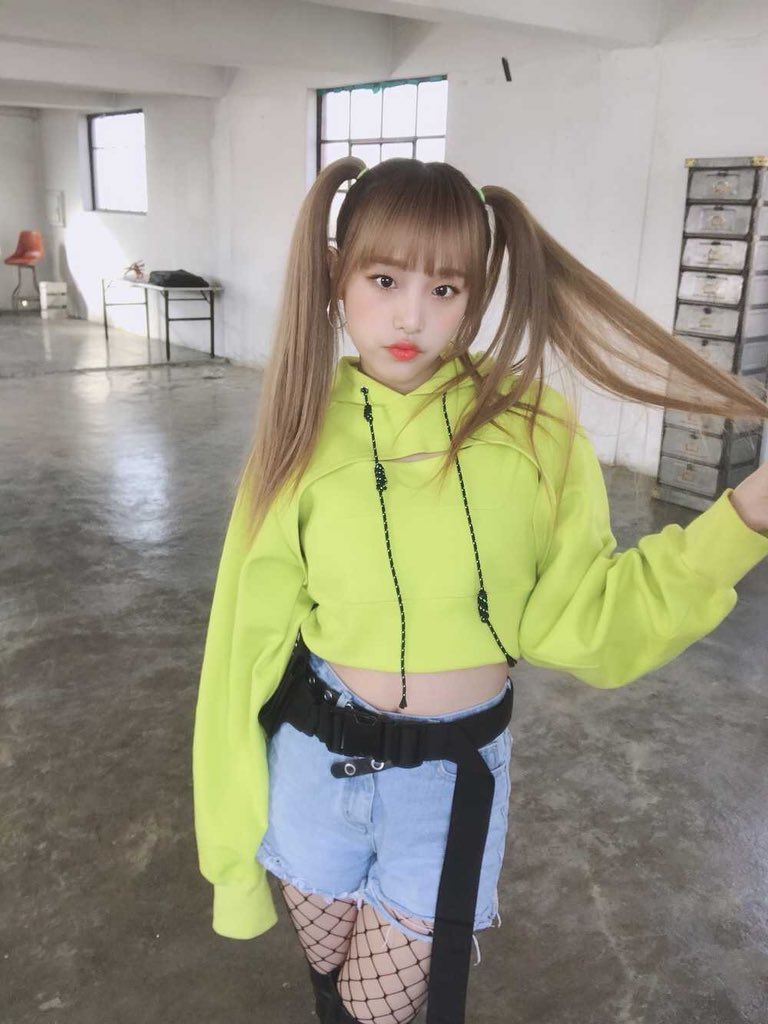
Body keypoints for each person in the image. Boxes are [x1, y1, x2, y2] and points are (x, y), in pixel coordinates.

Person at [192, 156, 768, 1024]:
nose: (411, 316)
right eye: (384, 279)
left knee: (375, 1011)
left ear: (478, 291)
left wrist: (748, 515)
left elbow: (586, 619)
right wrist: (232, 865)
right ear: (336, 274)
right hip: (313, 773)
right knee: (333, 997)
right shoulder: (299, 433)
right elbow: (241, 651)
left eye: (445, 288)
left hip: (446, 787)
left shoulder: (533, 431)